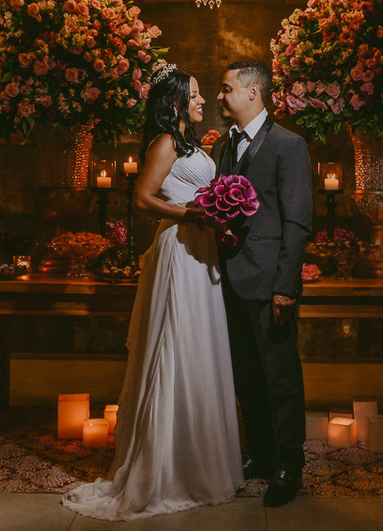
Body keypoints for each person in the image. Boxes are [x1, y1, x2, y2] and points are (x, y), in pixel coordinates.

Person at [62, 64, 242, 521]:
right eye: (196, 95)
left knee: (200, 348)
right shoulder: (164, 143)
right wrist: (191, 215)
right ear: (176, 102)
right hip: (179, 249)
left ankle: (199, 455)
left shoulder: (189, 143)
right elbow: (143, 199)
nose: (203, 102)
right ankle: (166, 466)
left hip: (201, 248)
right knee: (175, 348)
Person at [213, 60, 313, 508]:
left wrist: (285, 286)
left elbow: (297, 222)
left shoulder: (289, 146)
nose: (220, 96)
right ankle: (261, 453)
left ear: (253, 93)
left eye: (227, 88)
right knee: (246, 376)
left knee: (281, 378)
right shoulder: (222, 146)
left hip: (271, 280)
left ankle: (290, 464)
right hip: (229, 280)